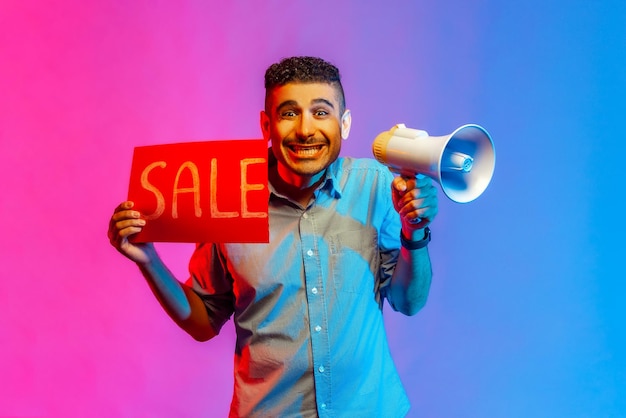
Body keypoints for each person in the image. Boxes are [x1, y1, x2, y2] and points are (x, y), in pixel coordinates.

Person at [108, 56, 438, 417]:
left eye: (321, 112)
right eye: (289, 113)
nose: (305, 130)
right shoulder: (229, 197)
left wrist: (413, 230)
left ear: (344, 124)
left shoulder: (376, 185)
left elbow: (409, 302)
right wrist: (150, 262)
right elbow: (203, 322)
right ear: (266, 125)